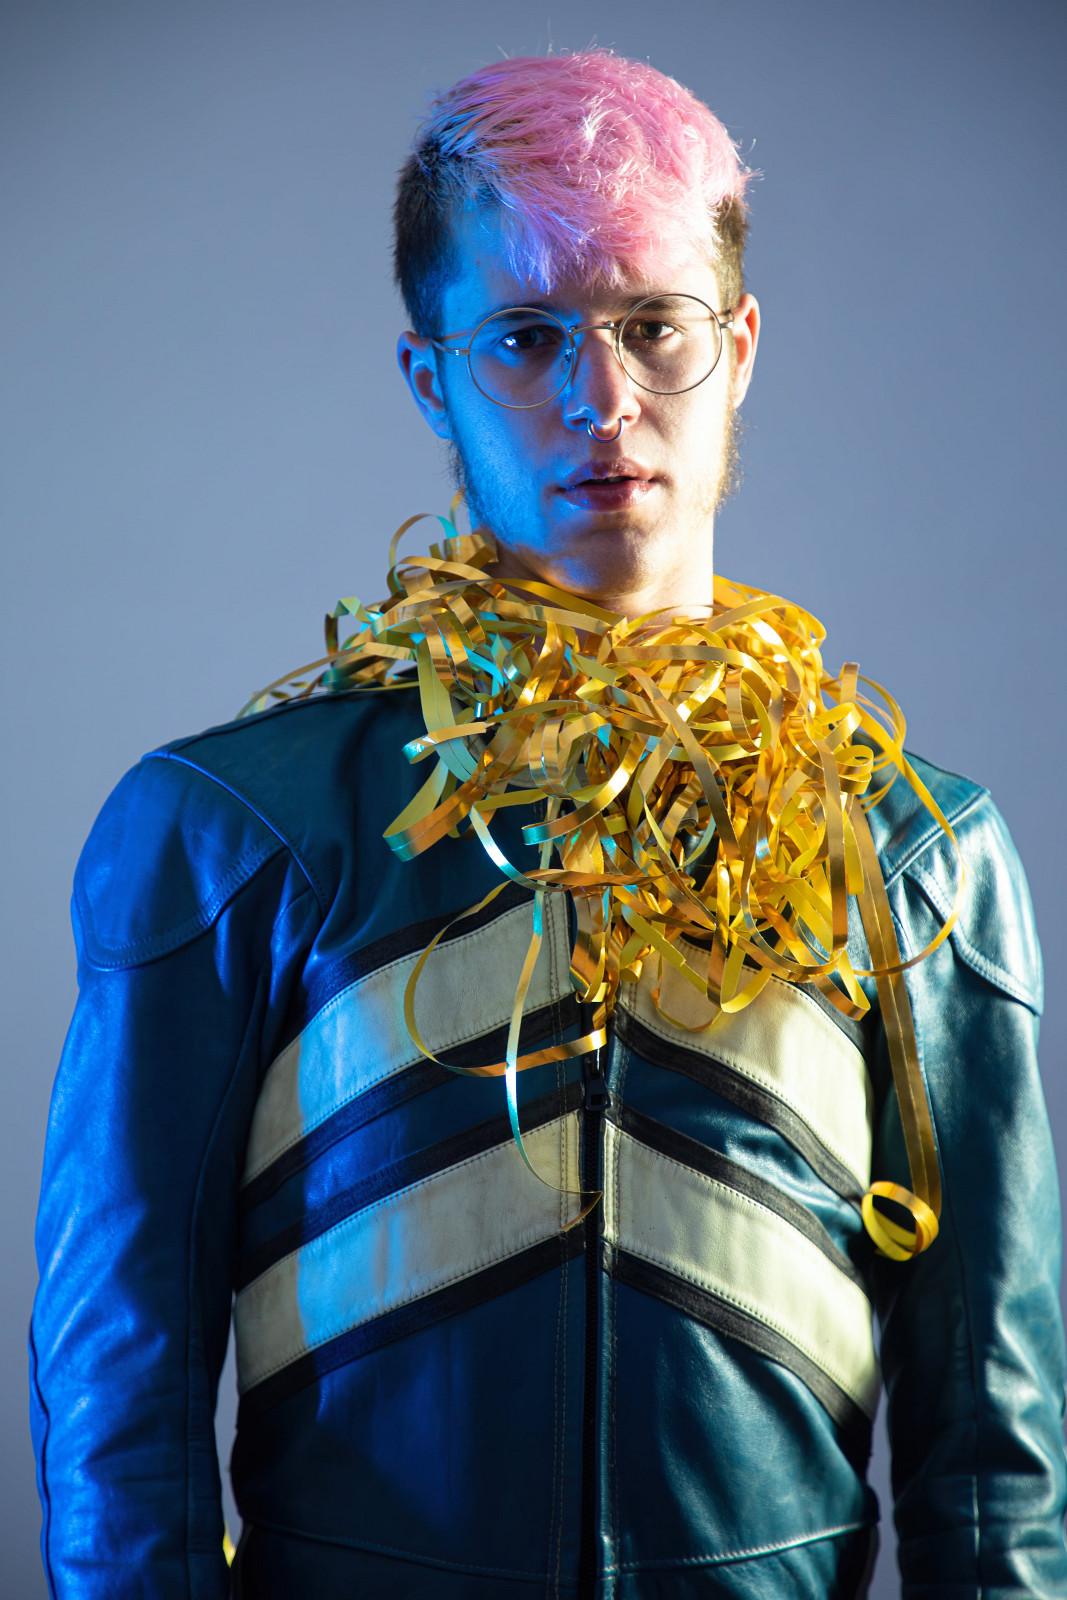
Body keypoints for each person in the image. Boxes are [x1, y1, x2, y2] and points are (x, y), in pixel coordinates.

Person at [30, 50, 1067, 1600]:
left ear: (739, 349)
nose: (604, 401)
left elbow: (995, 1444)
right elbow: (124, 1394)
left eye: (657, 325)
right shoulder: (232, 830)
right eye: (526, 338)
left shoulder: (919, 851)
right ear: (431, 379)